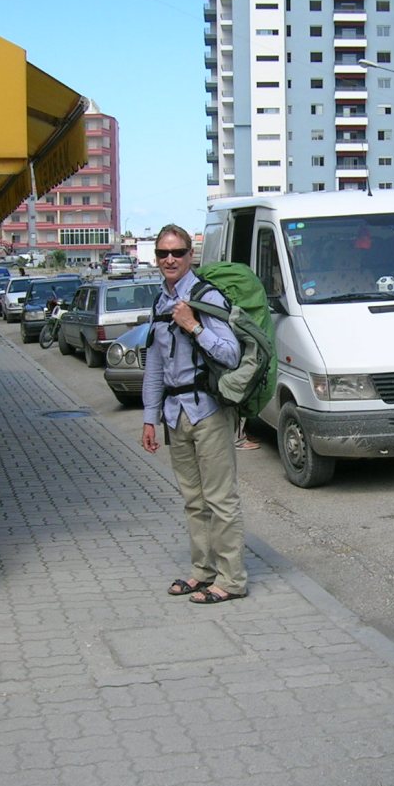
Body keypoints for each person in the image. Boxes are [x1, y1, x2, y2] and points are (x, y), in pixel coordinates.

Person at [140, 223, 248, 604]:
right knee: (193, 499)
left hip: (208, 410)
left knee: (220, 499)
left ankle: (231, 580)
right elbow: (155, 365)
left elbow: (231, 354)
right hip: (174, 414)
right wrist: (149, 416)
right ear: (156, 258)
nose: (169, 259)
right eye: (162, 253)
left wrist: (194, 326)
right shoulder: (159, 303)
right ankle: (203, 572)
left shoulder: (207, 297)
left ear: (190, 256)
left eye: (177, 253)